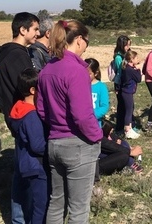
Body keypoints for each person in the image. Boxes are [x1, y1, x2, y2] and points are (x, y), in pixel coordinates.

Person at [36, 20, 102, 224]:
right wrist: (97, 136)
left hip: (55, 143)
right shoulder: (76, 70)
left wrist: (57, 124)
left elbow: (41, 108)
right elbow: (82, 115)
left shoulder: (47, 69)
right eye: (87, 42)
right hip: (78, 144)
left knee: (56, 202)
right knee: (78, 209)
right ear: (80, 40)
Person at [0, 12, 40, 224]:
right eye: (35, 29)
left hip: (15, 115)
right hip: (25, 117)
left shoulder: (7, 54)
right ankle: (25, 218)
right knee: (29, 173)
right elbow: (30, 89)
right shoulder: (18, 56)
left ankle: (19, 219)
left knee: (21, 169)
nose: (38, 33)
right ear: (23, 30)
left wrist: (6, 108)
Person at [10, 68, 48, 224]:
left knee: (25, 199)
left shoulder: (18, 108)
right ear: (33, 90)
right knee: (41, 206)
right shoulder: (31, 115)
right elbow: (38, 145)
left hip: (22, 161)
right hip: (36, 166)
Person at [120, 50, 142, 139]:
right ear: (131, 59)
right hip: (127, 93)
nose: (138, 59)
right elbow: (139, 79)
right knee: (129, 111)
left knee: (131, 108)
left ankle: (130, 128)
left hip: (127, 92)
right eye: (136, 58)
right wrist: (138, 69)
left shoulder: (127, 68)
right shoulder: (130, 70)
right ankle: (127, 130)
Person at [112, 36, 132, 133]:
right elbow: (121, 72)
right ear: (121, 45)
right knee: (122, 106)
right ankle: (120, 128)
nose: (128, 47)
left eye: (129, 45)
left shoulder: (125, 55)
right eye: (126, 45)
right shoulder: (118, 57)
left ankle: (127, 125)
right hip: (120, 84)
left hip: (125, 83)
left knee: (128, 106)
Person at [85, 58, 109, 128]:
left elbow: (104, 106)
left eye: (89, 74)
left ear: (96, 73)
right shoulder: (79, 85)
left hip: (95, 125)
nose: (85, 76)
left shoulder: (101, 87)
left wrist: (91, 116)